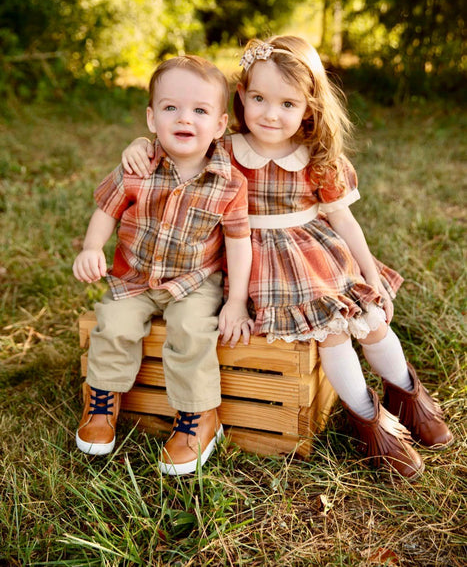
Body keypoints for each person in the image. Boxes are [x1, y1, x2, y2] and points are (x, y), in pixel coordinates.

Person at [123, 36, 454, 480]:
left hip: (318, 256)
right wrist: (140, 146)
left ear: (309, 106)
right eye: (258, 98)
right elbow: (176, 144)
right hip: (259, 265)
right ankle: (370, 422)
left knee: (372, 320)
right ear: (240, 96)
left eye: (286, 103)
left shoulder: (317, 158)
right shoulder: (223, 149)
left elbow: (345, 223)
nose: (270, 114)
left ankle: (408, 395)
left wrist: (370, 274)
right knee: (331, 335)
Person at [73, 55, 253, 476]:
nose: (184, 118)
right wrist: (91, 248)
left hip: (195, 281)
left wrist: (237, 300)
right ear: (151, 119)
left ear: (221, 124)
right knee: (113, 325)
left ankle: (199, 418)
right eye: (171, 107)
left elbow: (238, 241)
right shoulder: (137, 167)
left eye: (200, 110)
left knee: (191, 331)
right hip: (133, 277)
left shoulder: (230, 182)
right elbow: (106, 209)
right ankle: (102, 403)